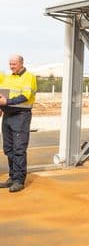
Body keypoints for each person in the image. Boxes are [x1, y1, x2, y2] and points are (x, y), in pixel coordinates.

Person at [0, 55, 38, 192]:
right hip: (7, 116)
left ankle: (19, 180)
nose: (11, 66)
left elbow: (25, 96)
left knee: (19, 149)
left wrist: (7, 102)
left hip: (21, 116)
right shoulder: (8, 77)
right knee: (8, 148)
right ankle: (12, 177)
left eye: (14, 64)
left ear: (21, 63)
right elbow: (2, 94)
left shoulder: (29, 77)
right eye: (10, 64)